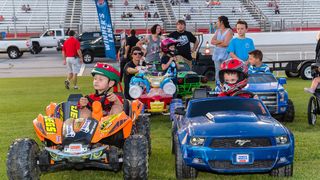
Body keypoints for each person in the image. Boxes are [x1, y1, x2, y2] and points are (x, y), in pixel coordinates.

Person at [211, 16, 233, 85]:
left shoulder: (229, 31)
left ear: (221, 22)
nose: (216, 23)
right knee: (217, 70)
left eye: (217, 21)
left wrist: (217, 43)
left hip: (225, 54)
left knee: (225, 70)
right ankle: (217, 85)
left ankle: (226, 85)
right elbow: (212, 41)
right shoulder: (217, 31)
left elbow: (226, 44)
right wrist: (221, 41)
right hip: (217, 53)